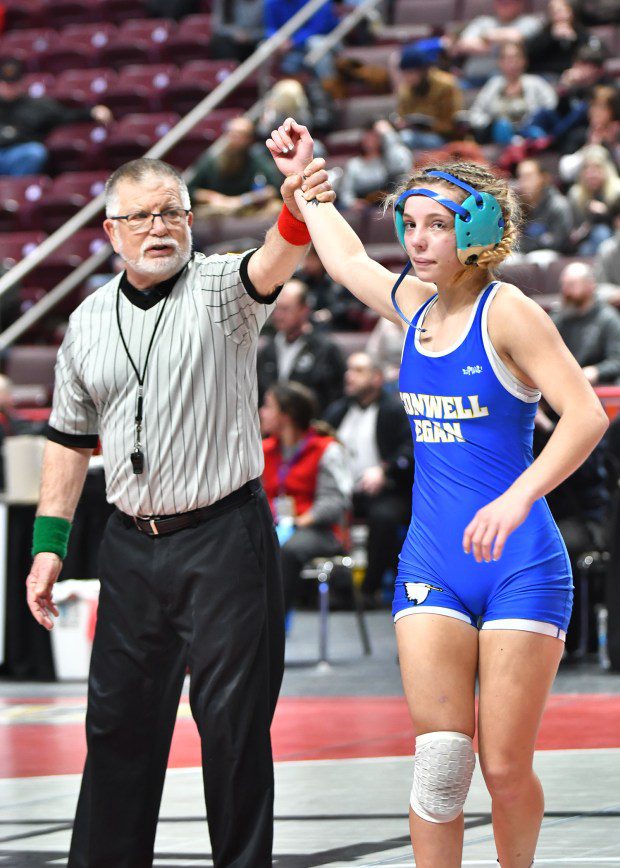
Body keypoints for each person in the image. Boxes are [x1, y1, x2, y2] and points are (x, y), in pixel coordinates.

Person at [266, 118, 608, 867]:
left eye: (436, 226)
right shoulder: (417, 306)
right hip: (432, 560)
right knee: (441, 764)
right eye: (409, 225)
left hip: (519, 560)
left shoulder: (512, 313)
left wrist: (520, 496)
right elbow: (348, 260)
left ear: (478, 231)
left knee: (506, 767)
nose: (417, 241)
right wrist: (309, 177)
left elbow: (585, 415)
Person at [25, 148, 335, 867]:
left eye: (172, 211)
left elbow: (278, 255)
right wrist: (48, 544)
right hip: (130, 543)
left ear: (192, 219)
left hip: (225, 535)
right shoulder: (87, 322)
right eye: (142, 216)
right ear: (111, 231)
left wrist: (296, 201)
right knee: (116, 727)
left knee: (232, 729)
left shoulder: (224, 288)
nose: (159, 227)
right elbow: (69, 443)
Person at [324, 352, 414, 606]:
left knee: (384, 517)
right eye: (349, 370)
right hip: (343, 491)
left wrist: (385, 471)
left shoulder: (395, 409)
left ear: (377, 378)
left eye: (358, 370)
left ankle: (369, 589)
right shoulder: (338, 410)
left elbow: (411, 449)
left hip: (388, 490)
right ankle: (337, 589)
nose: (348, 375)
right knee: (322, 511)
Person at [260, 380, 351, 616]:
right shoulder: (264, 449)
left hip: (320, 531)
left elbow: (335, 502)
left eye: (268, 406)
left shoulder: (326, 448)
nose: (261, 412)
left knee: (286, 550)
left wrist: (301, 521)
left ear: (286, 415)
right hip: (276, 526)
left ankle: (273, 622)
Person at [0, 57, 112, 176]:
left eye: (12, 84)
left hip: (18, 152)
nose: (8, 88)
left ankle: (15, 191)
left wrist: (92, 112)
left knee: (35, 152)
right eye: (4, 83)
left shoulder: (37, 106)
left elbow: (66, 115)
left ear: (20, 83)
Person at [256, 277, 346, 413]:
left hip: (313, 429)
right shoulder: (266, 351)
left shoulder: (326, 350)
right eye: (275, 309)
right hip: (271, 431)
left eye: (285, 309)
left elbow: (337, 399)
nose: (278, 315)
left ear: (304, 310)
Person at [188, 115, 282, 218]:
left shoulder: (256, 158)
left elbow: (274, 188)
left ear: (250, 139)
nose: (237, 138)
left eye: (242, 135)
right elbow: (190, 190)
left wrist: (243, 200)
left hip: (246, 208)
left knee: (276, 207)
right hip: (217, 210)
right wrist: (212, 197)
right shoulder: (212, 159)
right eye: (233, 133)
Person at [467, 41, 557, 145]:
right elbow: (475, 113)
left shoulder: (535, 82)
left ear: (524, 60)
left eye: (516, 57)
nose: (512, 62)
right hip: (500, 135)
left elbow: (551, 104)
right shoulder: (493, 84)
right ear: (500, 62)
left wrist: (534, 120)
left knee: (536, 133)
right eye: (507, 58)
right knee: (502, 126)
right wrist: (490, 124)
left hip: (528, 130)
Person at [551, 260, 620, 385]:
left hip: (597, 387)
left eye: (571, 285)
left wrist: (597, 371)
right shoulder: (558, 318)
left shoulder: (608, 319)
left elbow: (616, 360)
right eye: (564, 285)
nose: (566, 291)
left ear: (590, 285)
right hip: (564, 384)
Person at [449, 0, 543, 85]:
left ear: (520, 3)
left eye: (508, 2)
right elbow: (463, 44)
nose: (503, 5)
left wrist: (484, 38)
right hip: (470, 77)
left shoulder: (529, 22)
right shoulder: (482, 21)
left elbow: (515, 37)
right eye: (500, 2)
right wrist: (499, 44)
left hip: (504, 79)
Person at [391, 42, 463, 151]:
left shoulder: (446, 85)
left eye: (411, 73)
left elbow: (453, 122)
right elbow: (402, 115)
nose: (408, 78)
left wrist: (428, 125)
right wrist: (401, 123)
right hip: (413, 135)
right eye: (404, 74)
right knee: (396, 139)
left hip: (443, 138)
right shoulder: (405, 90)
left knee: (406, 139)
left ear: (423, 71)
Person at [337, 119, 412, 211]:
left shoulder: (389, 160)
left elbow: (401, 168)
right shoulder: (354, 163)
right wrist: (352, 203)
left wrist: (388, 133)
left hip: (386, 204)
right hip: (361, 210)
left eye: (374, 135)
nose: (370, 138)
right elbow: (346, 193)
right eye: (367, 134)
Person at [567, 143, 620, 255]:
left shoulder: (617, 192)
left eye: (596, 168)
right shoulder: (576, 195)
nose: (591, 174)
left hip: (614, 242)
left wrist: (606, 213)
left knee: (600, 232)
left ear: (606, 169)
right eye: (587, 169)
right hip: (586, 243)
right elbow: (573, 229)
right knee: (585, 248)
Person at [516, 158, 573, 255]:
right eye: (521, 176)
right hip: (524, 253)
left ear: (543, 178)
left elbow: (558, 241)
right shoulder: (517, 205)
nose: (524, 181)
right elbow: (513, 240)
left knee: (539, 256)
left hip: (554, 256)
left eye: (529, 176)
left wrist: (530, 244)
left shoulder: (558, 204)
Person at [525, 0, 589, 77]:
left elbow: (588, 52)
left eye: (560, 10)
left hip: (572, 73)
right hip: (545, 73)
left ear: (570, 12)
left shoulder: (580, 33)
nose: (558, 15)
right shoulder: (544, 33)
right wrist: (551, 37)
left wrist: (573, 39)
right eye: (553, 12)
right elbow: (529, 54)